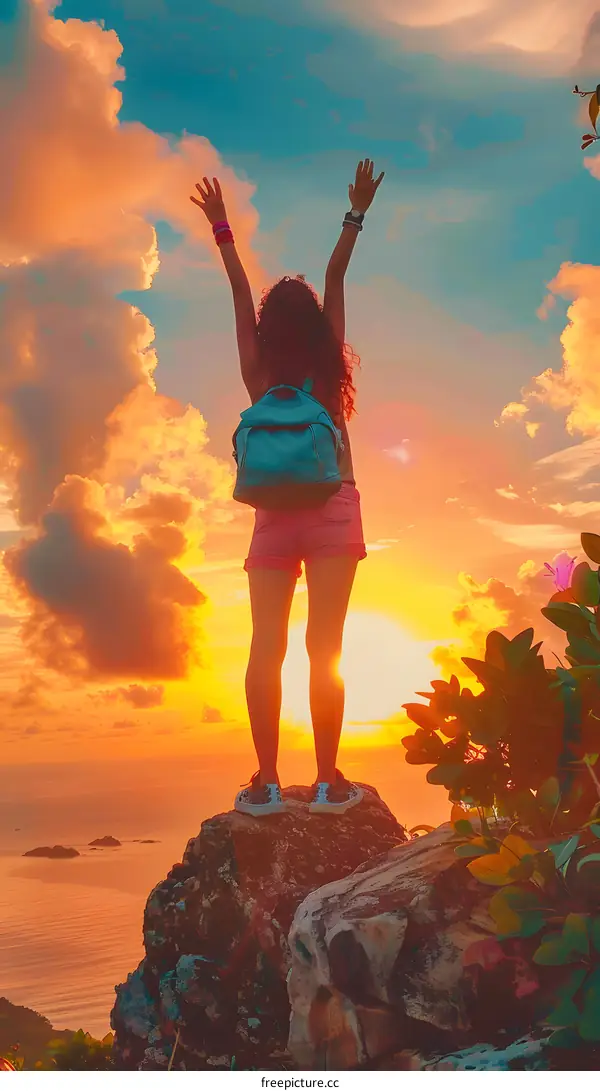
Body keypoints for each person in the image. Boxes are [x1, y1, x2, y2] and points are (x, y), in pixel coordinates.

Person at [190, 159, 384, 816]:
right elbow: (334, 275)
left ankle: (267, 782)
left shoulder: (258, 371)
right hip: (334, 508)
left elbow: (239, 290)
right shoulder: (328, 371)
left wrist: (222, 226)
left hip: (272, 516)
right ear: (315, 325)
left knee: (264, 647)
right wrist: (355, 211)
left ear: (272, 326)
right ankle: (329, 782)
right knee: (324, 647)